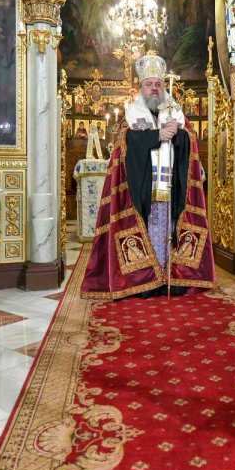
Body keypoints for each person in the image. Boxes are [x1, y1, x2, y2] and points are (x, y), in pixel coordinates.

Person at [82, 54, 215, 299]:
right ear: (141, 87)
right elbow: (124, 144)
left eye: (158, 84)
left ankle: (170, 275)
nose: (154, 88)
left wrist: (179, 134)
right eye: (149, 84)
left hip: (171, 185)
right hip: (141, 187)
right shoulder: (131, 114)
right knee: (149, 226)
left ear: (164, 87)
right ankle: (146, 278)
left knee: (169, 227)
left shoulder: (175, 112)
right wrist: (156, 136)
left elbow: (191, 143)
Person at [170, 0, 215, 77]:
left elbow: (211, 15)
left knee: (178, 58)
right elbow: (181, 17)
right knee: (179, 58)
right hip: (188, 30)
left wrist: (207, 36)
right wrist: (181, 4)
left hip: (198, 30)